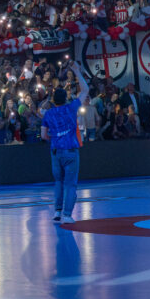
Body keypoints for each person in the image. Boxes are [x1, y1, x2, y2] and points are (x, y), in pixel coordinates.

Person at [41, 60, 90, 223]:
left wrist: (55, 139)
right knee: (70, 184)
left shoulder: (48, 114)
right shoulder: (71, 107)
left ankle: (57, 211)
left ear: (54, 100)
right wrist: (76, 71)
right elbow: (85, 90)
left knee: (58, 182)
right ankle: (67, 215)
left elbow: (43, 136)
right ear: (66, 98)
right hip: (70, 151)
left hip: (55, 152)